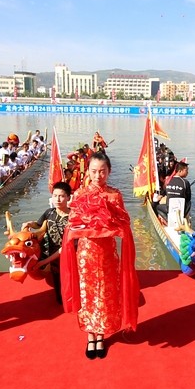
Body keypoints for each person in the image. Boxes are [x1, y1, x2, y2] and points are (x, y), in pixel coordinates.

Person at [60, 151, 139, 360]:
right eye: (94, 171)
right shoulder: (80, 194)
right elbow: (73, 224)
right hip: (86, 253)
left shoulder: (115, 195)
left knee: (104, 294)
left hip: (107, 254)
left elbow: (124, 223)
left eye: (102, 171)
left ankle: (101, 335)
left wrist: (115, 225)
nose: (98, 176)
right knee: (87, 294)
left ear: (109, 171)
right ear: (88, 171)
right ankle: (90, 336)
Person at [21, 181, 72, 303]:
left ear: (68, 197)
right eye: (55, 195)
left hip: (69, 255)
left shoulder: (73, 217)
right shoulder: (49, 213)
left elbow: (67, 246)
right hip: (53, 255)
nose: (57, 199)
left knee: (71, 283)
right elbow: (39, 225)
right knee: (59, 292)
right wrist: (29, 224)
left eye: (61, 196)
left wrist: (44, 262)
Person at [155, 160, 191, 227]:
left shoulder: (168, 181)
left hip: (169, 209)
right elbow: (188, 198)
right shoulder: (185, 182)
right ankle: (185, 219)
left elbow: (164, 193)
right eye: (186, 170)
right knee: (189, 203)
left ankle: (167, 220)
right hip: (181, 210)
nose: (187, 173)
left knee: (157, 207)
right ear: (180, 171)